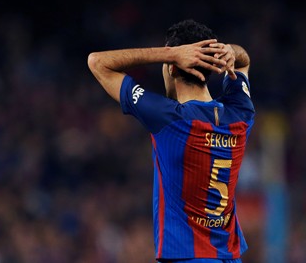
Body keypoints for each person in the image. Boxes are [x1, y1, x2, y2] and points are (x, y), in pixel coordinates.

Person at [87, 19, 254, 263]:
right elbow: (244, 60)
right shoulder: (241, 114)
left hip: (187, 257)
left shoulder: (168, 118)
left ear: (172, 67)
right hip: (229, 257)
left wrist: (169, 54)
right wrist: (229, 50)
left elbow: (97, 62)